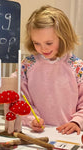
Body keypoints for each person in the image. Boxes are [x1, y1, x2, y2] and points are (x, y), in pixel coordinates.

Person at [20, 5, 83, 135]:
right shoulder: (27, 65)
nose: (43, 49)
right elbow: (21, 100)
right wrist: (31, 119)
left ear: (64, 37)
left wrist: (77, 121)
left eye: (49, 43)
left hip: (68, 135)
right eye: (36, 43)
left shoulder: (77, 67)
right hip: (35, 133)